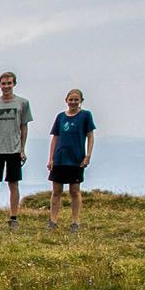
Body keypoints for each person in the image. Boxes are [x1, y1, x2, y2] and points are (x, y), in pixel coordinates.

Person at [0, 70, 33, 228]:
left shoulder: (22, 103)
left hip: (14, 149)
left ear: (14, 84)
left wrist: (22, 149)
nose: (6, 86)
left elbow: (24, 127)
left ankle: (14, 217)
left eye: (9, 83)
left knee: (13, 183)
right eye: (3, 83)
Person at [47, 89, 95, 232]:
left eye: (76, 100)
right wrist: (51, 158)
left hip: (76, 159)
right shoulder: (60, 117)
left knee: (75, 191)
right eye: (71, 99)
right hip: (60, 158)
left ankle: (75, 221)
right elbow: (55, 137)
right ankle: (53, 220)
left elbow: (90, 136)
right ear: (66, 100)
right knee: (56, 191)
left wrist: (88, 156)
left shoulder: (85, 116)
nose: (73, 102)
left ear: (81, 101)